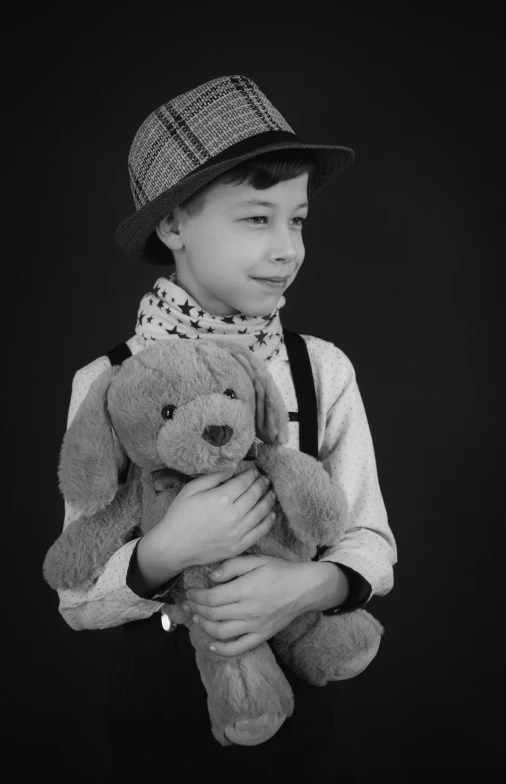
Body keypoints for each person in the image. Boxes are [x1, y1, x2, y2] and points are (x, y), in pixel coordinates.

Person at [49, 75, 398, 780]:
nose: (286, 248)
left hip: (300, 688)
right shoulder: (107, 384)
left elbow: (370, 540)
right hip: (158, 699)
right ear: (173, 224)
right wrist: (164, 552)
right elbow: (76, 599)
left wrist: (307, 589)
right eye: (254, 218)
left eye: (295, 219)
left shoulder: (320, 367)